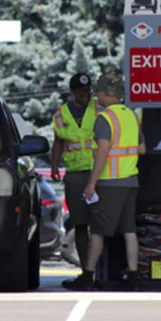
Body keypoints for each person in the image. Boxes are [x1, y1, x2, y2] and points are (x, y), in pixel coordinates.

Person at [62, 72, 146, 290]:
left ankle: (87, 275)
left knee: (98, 232)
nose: (96, 96)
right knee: (129, 230)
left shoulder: (105, 118)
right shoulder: (131, 115)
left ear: (106, 94)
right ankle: (134, 274)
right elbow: (142, 149)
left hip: (111, 183)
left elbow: (102, 153)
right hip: (130, 181)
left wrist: (91, 184)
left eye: (98, 92)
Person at [51, 73, 101, 273]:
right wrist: (54, 165)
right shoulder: (62, 114)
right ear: (72, 92)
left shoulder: (99, 108)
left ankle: (101, 269)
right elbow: (59, 142)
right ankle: (86, 269)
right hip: (75, 174)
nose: (85, 96)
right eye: (80, 93)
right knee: (80, 223)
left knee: (101, 224)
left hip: (99, 172)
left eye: (87, 92)